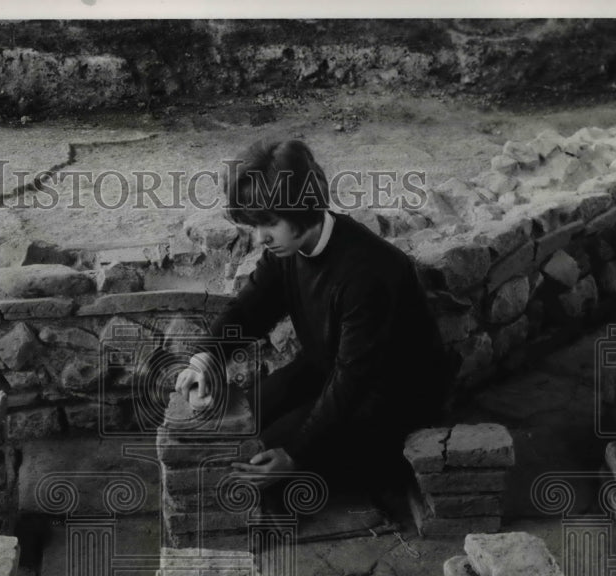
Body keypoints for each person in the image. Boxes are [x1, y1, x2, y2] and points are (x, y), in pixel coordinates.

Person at [175, 139, 453, 496]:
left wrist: (296, 455)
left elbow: (353, 381)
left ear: (302, 206)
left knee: (254, 468)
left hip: (391, 398)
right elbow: (249, 308)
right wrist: (207, 357)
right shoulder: (286, 247)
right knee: (238, 423)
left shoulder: (368, 273)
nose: (259, 238)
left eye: (269, 223)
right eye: (254, 226)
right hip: (329, 367)